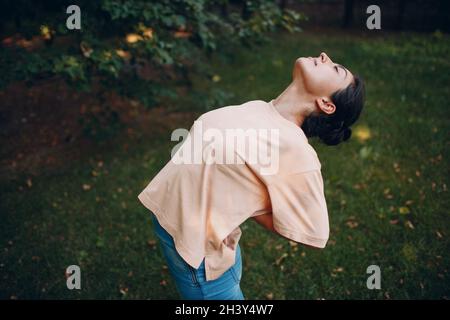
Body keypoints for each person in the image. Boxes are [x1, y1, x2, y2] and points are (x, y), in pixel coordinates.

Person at [138, 52, 365, 300]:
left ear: (326, 104)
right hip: (172, 226)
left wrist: (251, 205)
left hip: (201, 259)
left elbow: (315, 230)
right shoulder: (260, 108)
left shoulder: (296, 152)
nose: (325, 56)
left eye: (335, 69)